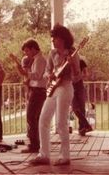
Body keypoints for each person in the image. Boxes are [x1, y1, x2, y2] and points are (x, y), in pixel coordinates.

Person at [30, 24, 80, 166]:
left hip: (66, 87)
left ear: (63, 38)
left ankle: (65, 156)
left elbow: (77, 77)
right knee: (43, 119)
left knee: (61, 123)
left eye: (55, 38)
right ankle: (44, 154)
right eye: (52, 38)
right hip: (54, 88)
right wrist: (49, 75)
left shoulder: (72, 53)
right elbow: (46, 71)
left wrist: (73, 65)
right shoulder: (52, 54)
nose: (52, 40)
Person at [13, 39, 47, 153]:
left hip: (38, 91)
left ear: (33, 49)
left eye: (27, 51)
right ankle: (36, 143)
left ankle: (34, 145)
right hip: (36, 89)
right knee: (34, 118)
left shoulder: (39, 60)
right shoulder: (37, 59)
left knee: (31, 117)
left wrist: (24, 73)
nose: (26, 54)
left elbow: (37, 76)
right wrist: (29, 81)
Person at [72, 58, 93, 136]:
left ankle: (82, 129)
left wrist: (79, 76)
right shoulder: (66, 61)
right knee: (75, 108)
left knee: (81, 107)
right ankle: (87, 125)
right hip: (70, 85)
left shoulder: (81, 61)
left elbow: (86, 74)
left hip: (79, 84)